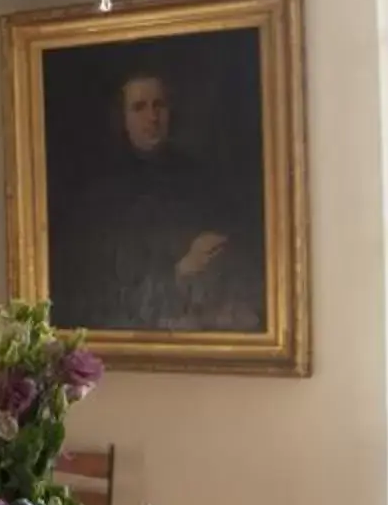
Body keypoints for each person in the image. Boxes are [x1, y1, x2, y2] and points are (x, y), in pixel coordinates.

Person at [63, 67, 264, 333]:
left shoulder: (199, 178)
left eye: (159, 105)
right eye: (139, 107)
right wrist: (181, 272)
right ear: (122, 119)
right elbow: (105, 296)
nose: (153, 117)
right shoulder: (102, 194)